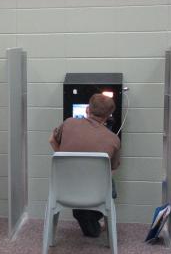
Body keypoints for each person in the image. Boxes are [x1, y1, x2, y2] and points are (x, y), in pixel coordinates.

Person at [49, 93, 121, 238]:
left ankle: (90, 224)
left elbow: (52, 140)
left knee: (80, 210)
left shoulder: (68, 123)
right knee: (111, 186)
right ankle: (96, 223)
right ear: (108, 116)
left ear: (87, 109)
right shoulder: (114, 139)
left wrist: (63, 157)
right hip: (96, 192)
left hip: (66, 187)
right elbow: (112, 169)